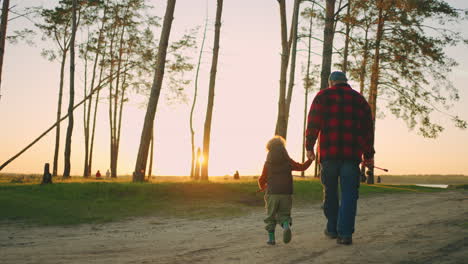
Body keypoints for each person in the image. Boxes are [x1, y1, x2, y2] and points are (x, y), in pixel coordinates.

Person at [306, 71, 375, 245]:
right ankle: (345, 234)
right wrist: (368, 155)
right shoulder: (359, 100)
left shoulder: (323, 96)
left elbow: (313, 123)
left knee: (330, 192)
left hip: (329, 155)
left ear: (331, 82)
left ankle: (332, 228)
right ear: (346, 82)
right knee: (349, 194)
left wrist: (309, 147)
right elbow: (368, 131)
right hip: (351, 156)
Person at [258, 136, 312, 246]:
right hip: (286, 193)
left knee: (271, 216)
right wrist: (310, 159)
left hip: (272, 193)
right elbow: (302, 167)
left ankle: (271, 239)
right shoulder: (288, 162)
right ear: (283, 149)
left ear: (269, 149)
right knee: (284, 214)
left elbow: (261, 179)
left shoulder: (268, 164)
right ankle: (286, 225)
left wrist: (263, 187)